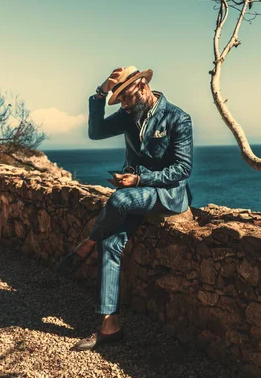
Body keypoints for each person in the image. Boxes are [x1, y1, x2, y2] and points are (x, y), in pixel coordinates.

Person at [56, 66, 194, 351]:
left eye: (127, 97)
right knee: (111, 243)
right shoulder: (129, 115)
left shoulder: (178, 117)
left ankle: (86, 243)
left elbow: (183, 168)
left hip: (167, 196)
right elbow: (95, 133)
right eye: (119, 100)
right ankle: (109, 327)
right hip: (136, 192)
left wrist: (141, 179)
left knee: (118, 200)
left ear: (142, 86)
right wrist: (99, 94)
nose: (124, 104)